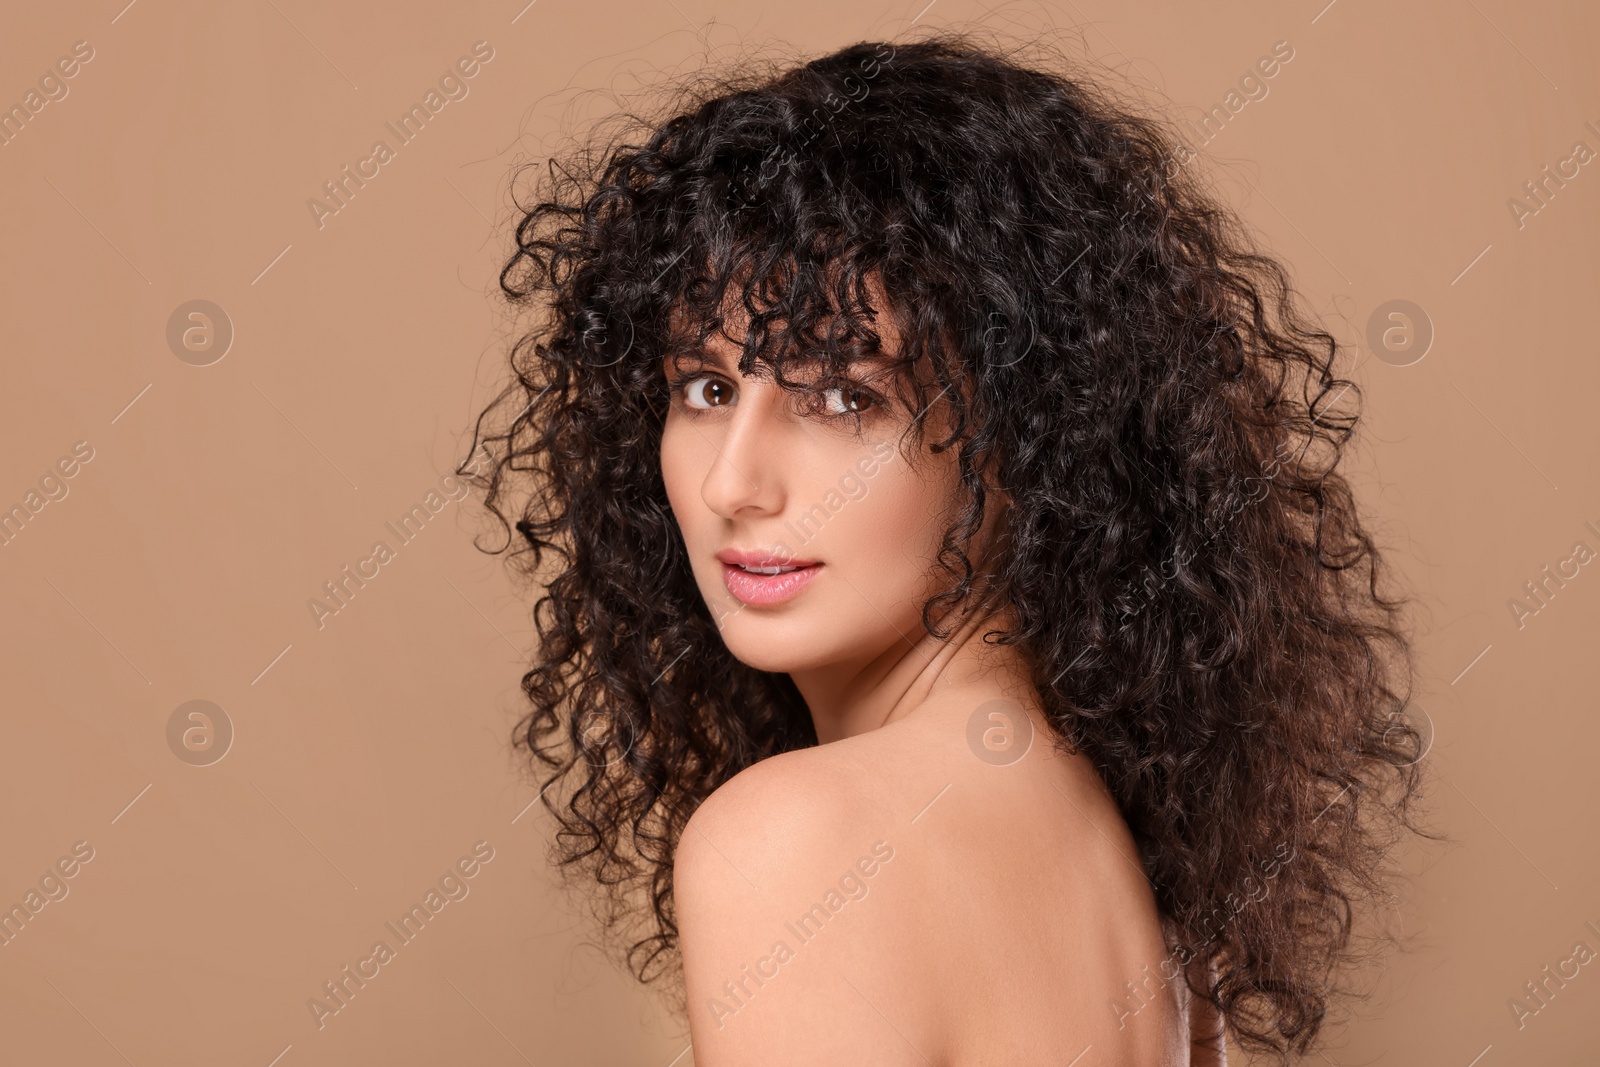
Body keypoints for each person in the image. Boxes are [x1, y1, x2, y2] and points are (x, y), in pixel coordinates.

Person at [464, 33, 1426, 1065]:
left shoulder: (798, 843)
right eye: (704, 388)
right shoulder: (1132, 882)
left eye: (842, 396)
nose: (730, 482)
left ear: (1030, 431)